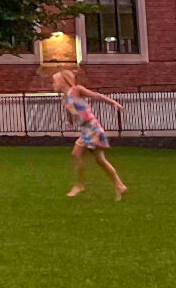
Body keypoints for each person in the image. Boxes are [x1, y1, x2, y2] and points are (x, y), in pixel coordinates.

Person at [52, 68, 128, 201]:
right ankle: (119, 185)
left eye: (54, 81)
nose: (53, 84)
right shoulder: (65, 100)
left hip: (92, 129)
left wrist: (114, 103)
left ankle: (80, 185)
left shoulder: (76, 90)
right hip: (87, 129)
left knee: (76, 154)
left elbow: (96, 95)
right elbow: (76, 115)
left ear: (62, 81)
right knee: (100, 160)